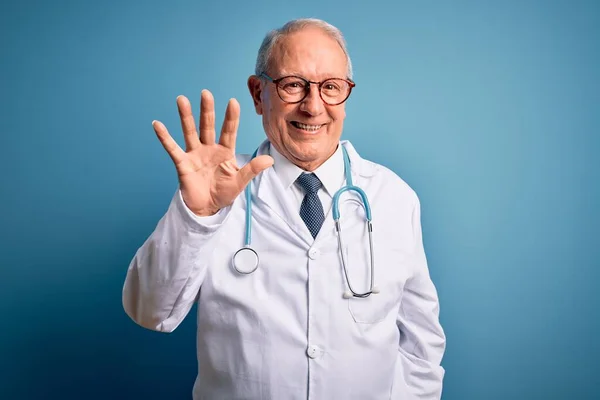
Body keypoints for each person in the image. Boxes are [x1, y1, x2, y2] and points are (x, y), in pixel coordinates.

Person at [122, 18, 446, 400]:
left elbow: (421, 348)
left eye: (331, 87)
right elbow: (150, 311)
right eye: (293, 85)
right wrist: (197, 215)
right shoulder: (218, 190)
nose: (313, 107)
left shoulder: (394, 198)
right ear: (258, 95)